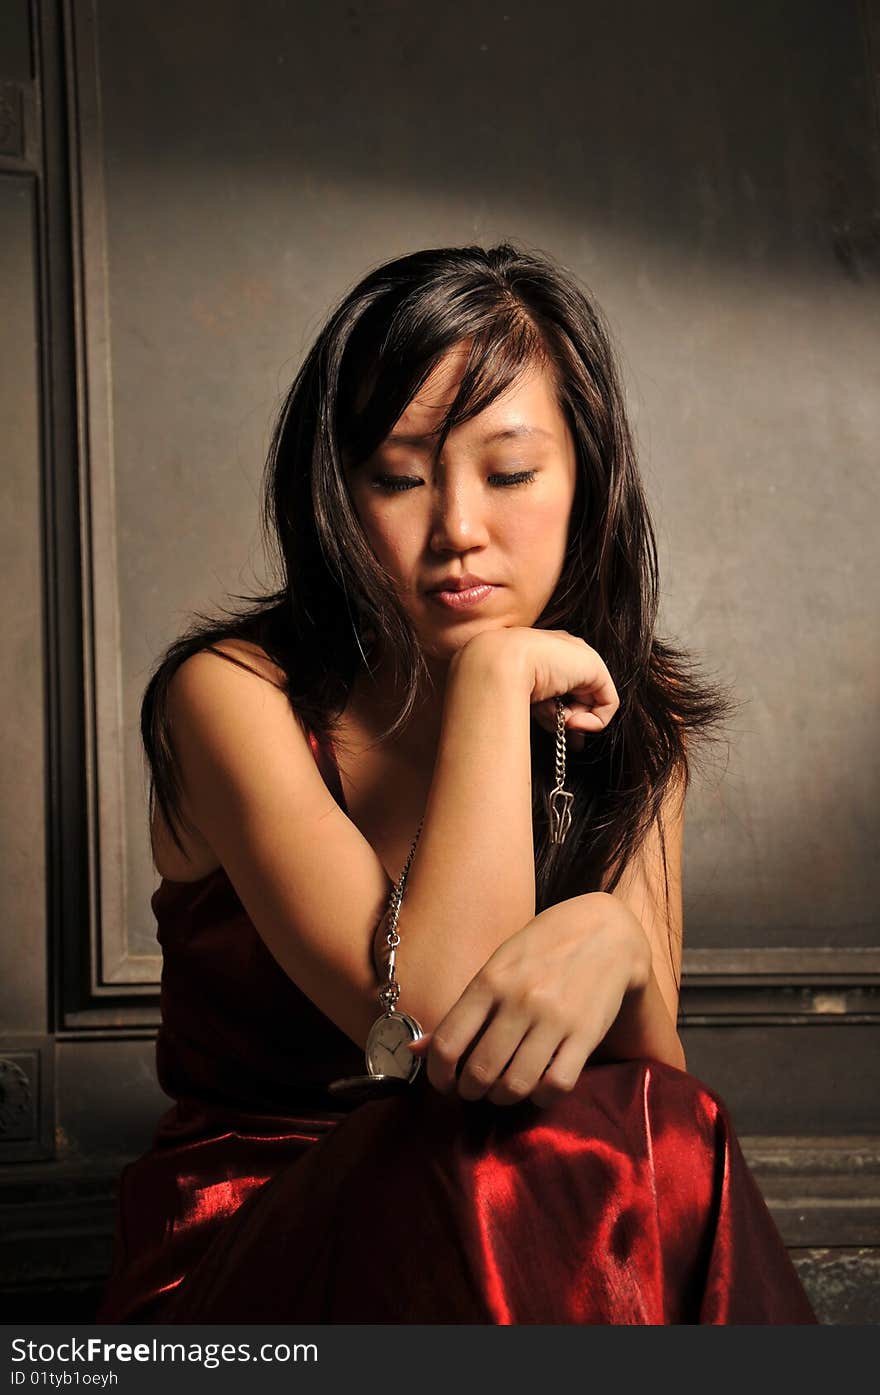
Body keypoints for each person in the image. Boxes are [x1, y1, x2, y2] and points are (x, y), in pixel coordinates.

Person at [96, 242, 816, 1325]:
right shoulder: (232, 698)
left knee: (632, 1126)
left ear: (585, 478)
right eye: (397, 477)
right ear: (336, 495)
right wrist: (491, 679)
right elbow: (428, 1031)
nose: (458, 532)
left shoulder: (634, 714)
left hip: (518, 1224)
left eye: (511, 473)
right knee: (494, 1155)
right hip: (249, 1255)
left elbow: (658, 1096)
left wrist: (620, 950)